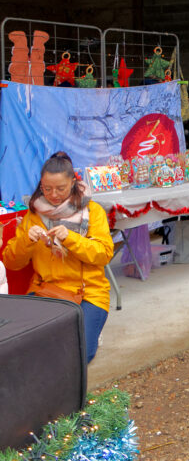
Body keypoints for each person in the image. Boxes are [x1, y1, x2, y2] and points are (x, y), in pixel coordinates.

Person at [2, 152, 114, 363]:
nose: (53, 195)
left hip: (87, 294)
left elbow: (104, 254)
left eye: (60, 189)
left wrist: (70, 238)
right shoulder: (34, 215)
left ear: (73, 182)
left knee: (78, 355)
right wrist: (27, 240)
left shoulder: (92, 211)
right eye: (47, 189)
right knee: (18, 345)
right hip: (46, 290)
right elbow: (11, 262)